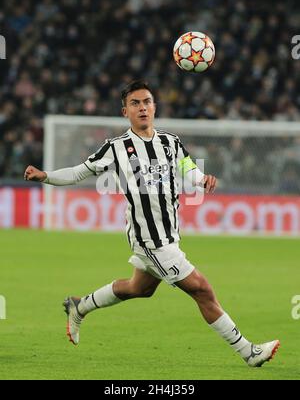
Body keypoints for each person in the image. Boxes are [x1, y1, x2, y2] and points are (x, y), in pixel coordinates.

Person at [24, 80, 279, 367]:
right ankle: (249, 352)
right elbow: (79, 172)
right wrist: (45, 176)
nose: (142, 107)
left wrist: (201, 180)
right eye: (135, 103)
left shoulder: (170, 142)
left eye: (147, 101)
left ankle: (79, 305)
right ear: (125, 112)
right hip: (150, 240)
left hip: (169, 235)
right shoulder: (117, 148)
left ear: (155, 106)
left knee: (139, 288)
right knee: (202, 290)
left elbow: (187, 168)